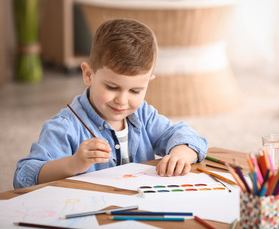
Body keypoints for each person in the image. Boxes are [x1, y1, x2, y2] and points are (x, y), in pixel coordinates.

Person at [13, 19, 208, 189]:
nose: (122, 101)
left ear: (148, 82)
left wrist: (180, 156)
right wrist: (73, 164)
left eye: (135, 91)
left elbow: (188, 137)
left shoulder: (143, 114)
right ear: (88, 75)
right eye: (112, 87)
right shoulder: (65, 127)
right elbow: (23, 177)